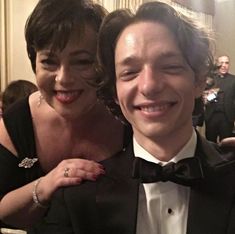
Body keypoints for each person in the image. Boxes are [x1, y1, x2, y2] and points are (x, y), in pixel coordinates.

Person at [41, 2, 235, 234]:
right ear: (114, 90)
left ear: (199, 80)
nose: (149, 86)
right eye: (130, 72)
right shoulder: (76, 198)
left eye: (170, 66)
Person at [0, 0, 129, 232]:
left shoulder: (128, 114)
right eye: (49, 61)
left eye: (82, 61)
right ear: (34, 61)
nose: (63, 79)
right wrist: (46, 184)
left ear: (104, 62)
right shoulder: (16, 122)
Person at [204, 55, 235, 142]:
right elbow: (202, 96)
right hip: (211, 116)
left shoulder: (234, 80)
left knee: (226, 145)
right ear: (217, 65)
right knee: (210, 143)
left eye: (226, 63)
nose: (224, 65)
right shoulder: (209, 79)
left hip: (227, 118)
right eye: (221, 63)